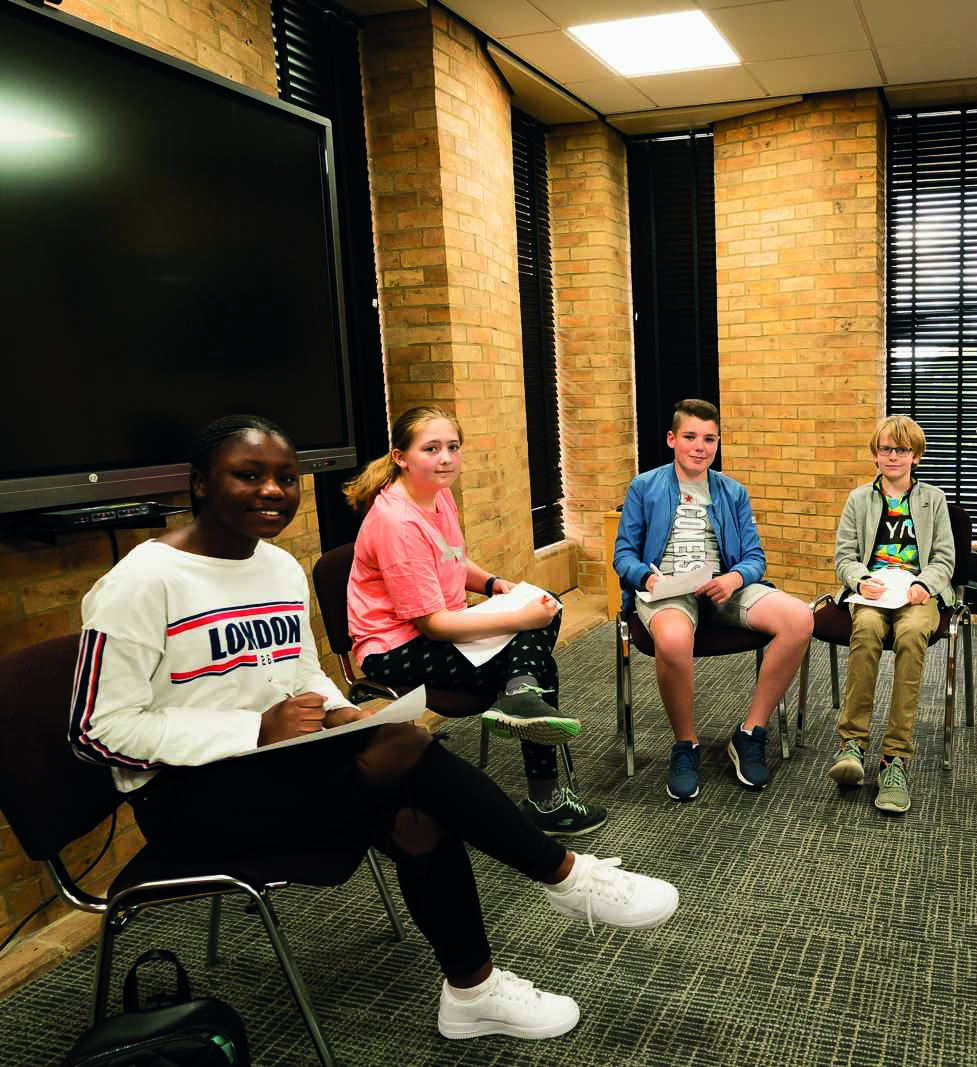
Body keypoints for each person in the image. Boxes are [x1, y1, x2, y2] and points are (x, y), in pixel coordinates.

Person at [70, 415, 679, 1043]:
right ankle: (562, 879)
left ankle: (476, 991)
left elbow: (299, 671)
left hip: (274, 765)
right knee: (409, 757)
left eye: (287, 477)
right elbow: (94, 731)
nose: (274, 491)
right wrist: (252, 729)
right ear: (200, 484)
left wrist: (337, 709)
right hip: (187, 800)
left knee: (413, 794)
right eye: (248, 475)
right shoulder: (140, 583)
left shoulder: (278, 568)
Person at [345, 407, 605, 837]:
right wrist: (519, 617)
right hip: (393, 649)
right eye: (431, 449)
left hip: (443, 625)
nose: (446, 458)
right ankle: (544, 791)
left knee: (546, 604)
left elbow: (453, 559)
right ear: (400, 457)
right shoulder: (396, 522)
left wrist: (492, 583)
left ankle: (521, 693)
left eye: (452, 447)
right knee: (538, 647)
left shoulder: (436, 494)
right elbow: (434, 627)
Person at [613, 398, 814, 801]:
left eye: (709, 439)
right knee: (671, 640)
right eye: (689, 437)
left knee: (800, 619)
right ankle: (685, 745)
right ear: (672, 439)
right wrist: (647, 579)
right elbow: (623, 555)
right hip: (667, 589)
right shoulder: (645, 487)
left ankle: (749, 733)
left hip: (722, 587)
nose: (699, 447)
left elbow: (756, 557)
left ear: (718, 443)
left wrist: (734, 577)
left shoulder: (732, 491)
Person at [825, 415, 956, 814]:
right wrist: (860, 580)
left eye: (901, 449)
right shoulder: (859, 498)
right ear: (875, 454)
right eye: (885, 448)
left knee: (912, 636)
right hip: (873, 590)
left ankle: (895, 758)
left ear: (916, 455)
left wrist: (925, 585)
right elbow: (844, 556)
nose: (892, 456)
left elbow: (945, 559)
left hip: (916, 592)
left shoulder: (932, 499)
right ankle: (852, 745)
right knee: (864, 629)